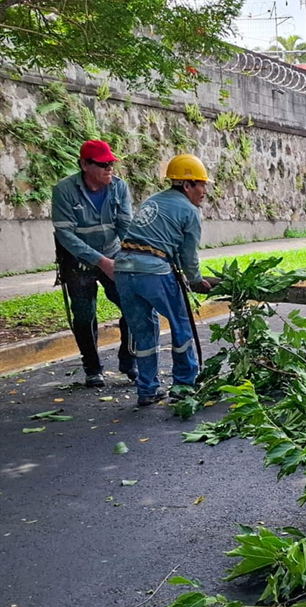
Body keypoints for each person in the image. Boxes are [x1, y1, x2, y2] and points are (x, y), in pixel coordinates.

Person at [114, 154, 213, 407]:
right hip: (154, 271)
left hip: (123, 270)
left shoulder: (152, 200)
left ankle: (147, 389)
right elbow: (189, 255)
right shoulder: (190, 211)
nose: (204, 191)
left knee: (144, 332)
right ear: (186, 185)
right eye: (201, 185)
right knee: (181, 325)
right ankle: (183, 384)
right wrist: (196, 280)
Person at [52, 140, 137, 387]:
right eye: (102, 164)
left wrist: (131, 255)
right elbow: (65, 234)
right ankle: (92, 368)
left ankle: (128, 360)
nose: (109, 168)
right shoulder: (64, 190)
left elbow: (126, 227)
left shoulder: (119, 188)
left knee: (133, 305)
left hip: (113, 256)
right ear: (84, 165)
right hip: (79, 263)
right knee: (84, 315)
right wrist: (100, 261)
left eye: (111, 163)